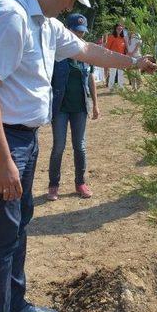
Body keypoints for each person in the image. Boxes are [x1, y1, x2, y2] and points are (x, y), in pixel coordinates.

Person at [0, 0, 157, 312]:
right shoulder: (10, 18)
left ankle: (15, 302)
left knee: (19, 221)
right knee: (0, 231)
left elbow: (85, 50)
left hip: (22, 136)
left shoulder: (45, 22)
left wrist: (133, 63)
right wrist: (2, 161)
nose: (71, 6)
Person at [47, 13, 99, 201]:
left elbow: (91, 78)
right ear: (67, 30)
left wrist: (95, 104)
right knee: (58, 147)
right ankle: (53, 185)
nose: (80, 35)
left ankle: (80, 183)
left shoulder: (85, 52)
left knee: (80, 147)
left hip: (80, 107)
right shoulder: (56, 53)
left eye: (82, 32)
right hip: (60, 108)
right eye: (76, 31)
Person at [105, 21, 128, 90]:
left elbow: (125, 49)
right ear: (115, 29)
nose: (119, 30)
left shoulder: (123, 38)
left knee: (121, 73)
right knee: (113, 73)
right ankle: (111, 88)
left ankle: (121, 87)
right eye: (118, 29)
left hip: (121, 58)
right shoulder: (111, 37)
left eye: (121, 29)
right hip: (113, 58)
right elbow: (107, 48)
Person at [126, 25, 143, 89]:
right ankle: (133, 86)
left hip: (137, 55)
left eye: (132, 28)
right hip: (130, 56)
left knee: (137, 71)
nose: (131, 29)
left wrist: (132, 52)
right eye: (129, 28)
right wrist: (128, 53)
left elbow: (138, 45)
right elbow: (126, 46)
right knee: (131, 71)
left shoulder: (137, 35)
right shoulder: (127, 36)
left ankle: (138, 86)